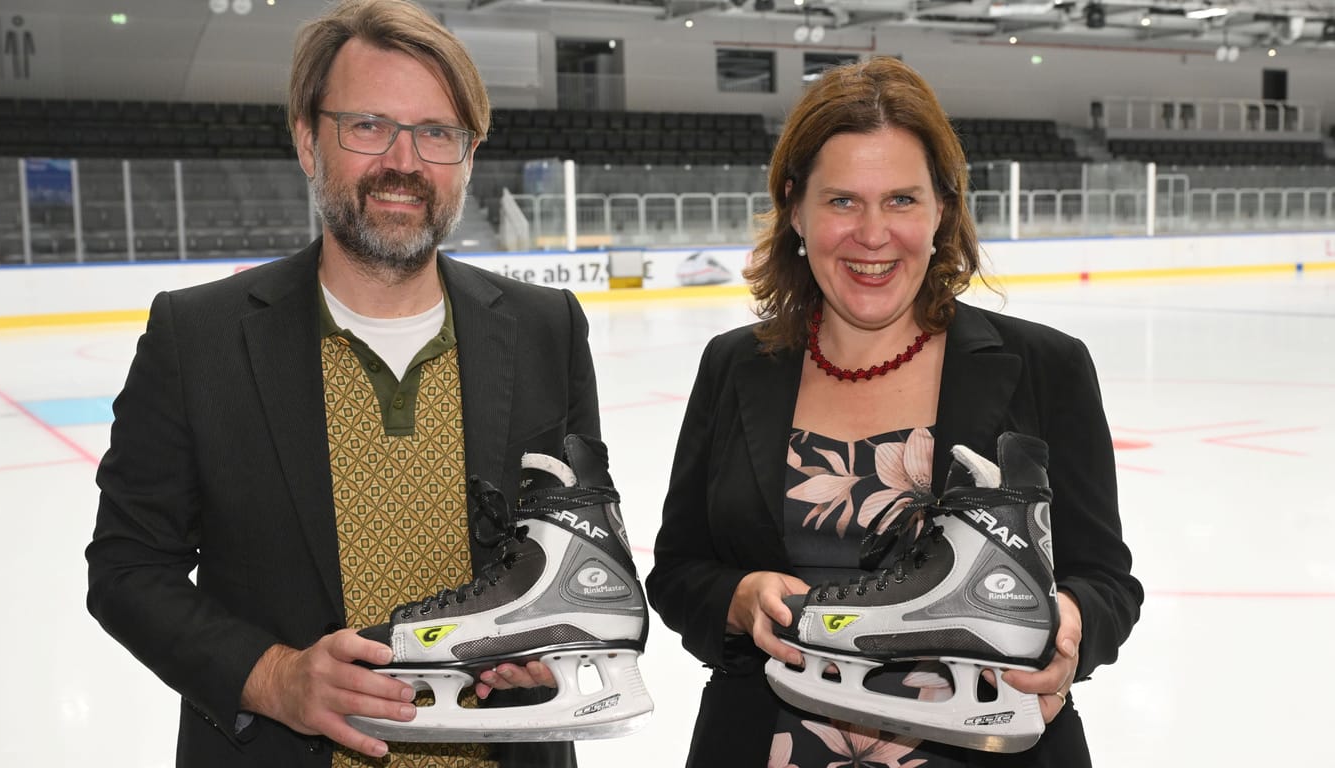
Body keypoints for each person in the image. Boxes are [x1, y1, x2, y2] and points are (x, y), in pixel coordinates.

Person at [84, 1, 593, 766]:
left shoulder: (546, 326)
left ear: (469, 154)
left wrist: (553, 635)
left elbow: (574, 533)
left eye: (436, 133)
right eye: (368, 126)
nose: (404, 161)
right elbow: (127, 569)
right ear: (306, 141)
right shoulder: (200, 339)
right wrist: (273, 678)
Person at [645, 57, 1142, 768]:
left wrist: (1066, 628)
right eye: (842, 201)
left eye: (902, 200)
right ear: (795, 208)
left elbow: (1107, 583)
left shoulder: (1045, 367)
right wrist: (740, 597)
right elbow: (678, 572)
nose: (873, 235)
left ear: (943, 207)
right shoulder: (734, 366)